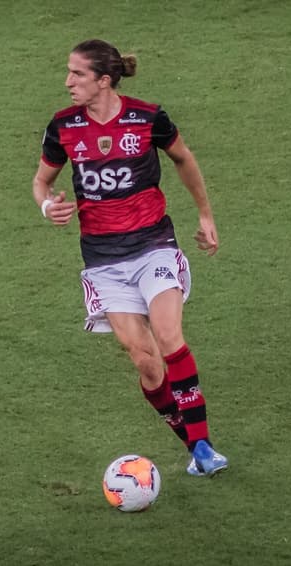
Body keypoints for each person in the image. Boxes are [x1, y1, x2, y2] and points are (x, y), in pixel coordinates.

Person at [32, 39, 228, 477]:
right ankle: (195, 446)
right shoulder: (63, 127)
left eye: (77, 74)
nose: (67, 82)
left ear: (104, 80)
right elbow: (41, 182)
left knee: (168, 335)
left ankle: (203, 447)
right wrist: (47, 206)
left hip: (152, 245)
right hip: (103, 262)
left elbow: (183, 158)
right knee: (146, 362)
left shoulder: (147, 117)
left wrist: (205, 214)